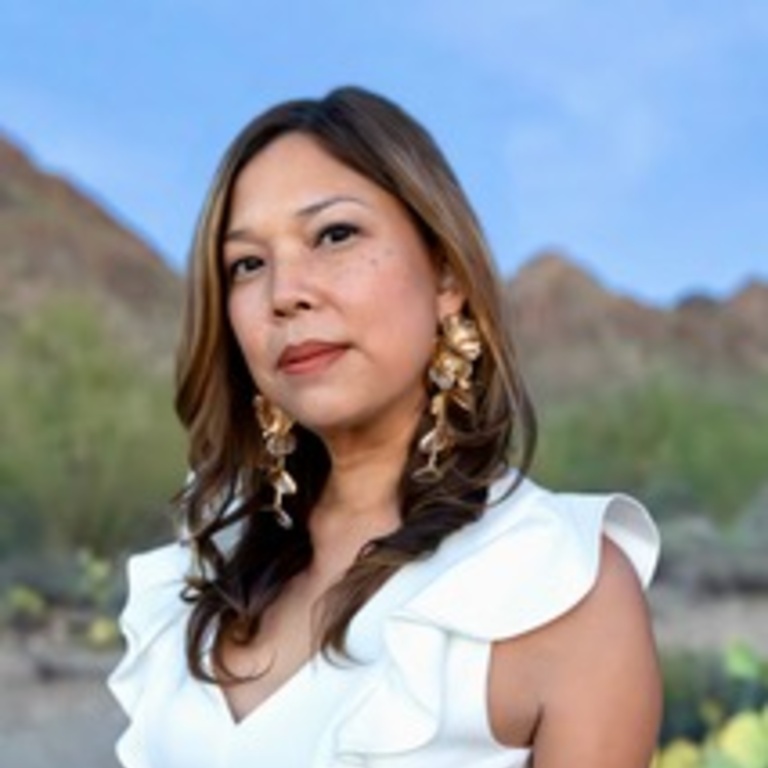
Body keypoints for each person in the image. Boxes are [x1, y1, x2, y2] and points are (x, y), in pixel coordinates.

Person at [108, 86, 662, 767]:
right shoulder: (205, 568)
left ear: (446, 274)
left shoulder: (560, 584)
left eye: (335, 234)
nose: (285, 293)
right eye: (247, 264)